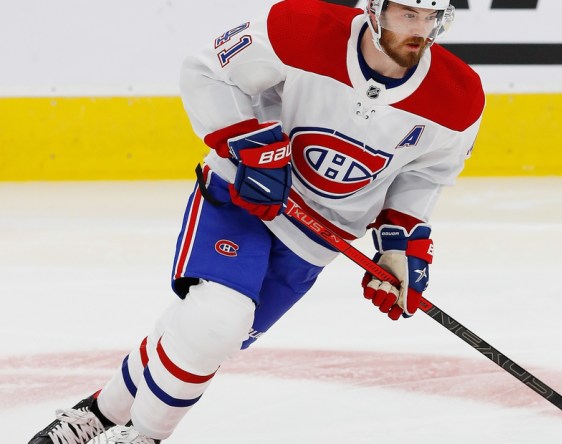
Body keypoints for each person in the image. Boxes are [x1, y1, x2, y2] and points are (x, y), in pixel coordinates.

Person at [28, 0, 484, 442]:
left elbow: (424, 175)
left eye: (432, 16)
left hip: (316, 239)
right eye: (408, 14)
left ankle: (98, 413)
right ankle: (143, 437)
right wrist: (250, 145)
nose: (421, 29)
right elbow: (207, 71)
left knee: (204, 335)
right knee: (215, 322)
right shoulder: (300, 28)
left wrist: (398, 244)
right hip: (241, 195)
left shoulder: (459, 96)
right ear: (374, 9)